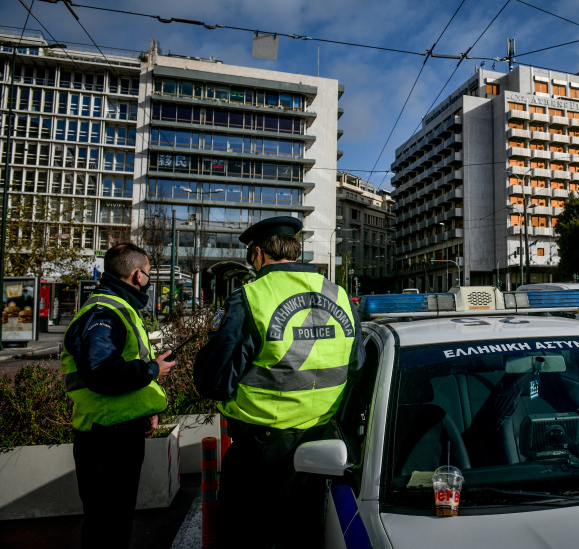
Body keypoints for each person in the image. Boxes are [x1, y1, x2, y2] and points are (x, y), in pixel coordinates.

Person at [194, 216, 364, 549]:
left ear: (258, 254)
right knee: (301, 539)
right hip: (320, 451)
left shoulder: (250, 297)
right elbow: (357, 366)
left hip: (260, 455)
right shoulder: (339, 295)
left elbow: (213, 380)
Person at [60, 243, 175, 548]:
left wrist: (144, 410)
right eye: (148, 273)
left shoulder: (115, 307)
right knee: (107, 528)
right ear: (138, 275)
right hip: (107, 439)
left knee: (113, 524)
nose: (148, 279)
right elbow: (103, 373)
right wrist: (153, 369)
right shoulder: (106, 312)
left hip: (114, 431)